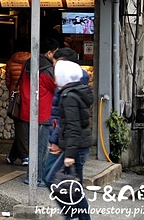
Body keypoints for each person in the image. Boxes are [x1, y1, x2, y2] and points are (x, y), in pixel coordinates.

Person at [50, 59, 93, 220]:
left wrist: (69, 155)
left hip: (75, 148)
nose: (55, 80)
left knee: (72, 189)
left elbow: (73, 127)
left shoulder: (69, 96)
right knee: (72, 188)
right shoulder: (77, 91)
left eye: (57, 76)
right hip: (77, 146)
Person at [43, 48, 90, 186]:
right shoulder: (70, 87)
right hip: (66, 141)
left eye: (56, 65)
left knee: (61, 183)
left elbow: (70, 122)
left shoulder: (70, 92)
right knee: (61, 182)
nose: (54, 70)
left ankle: (78, 208)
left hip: (68, 142)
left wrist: (57, 142)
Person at [18, 37, 59, 187]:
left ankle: (33, 176)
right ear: (49, 53)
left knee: (34, 147)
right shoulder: (47, 69)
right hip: (43, 113)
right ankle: (36, 178)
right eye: (55, 53)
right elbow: (56, 88)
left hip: (29, 110)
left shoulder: (27, 64)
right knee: (41, 149)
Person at [5, 39, 31, 166]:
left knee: (20, 126)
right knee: (24, 127)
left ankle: (13, 156)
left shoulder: (10, 62)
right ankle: (24, 156)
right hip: (28, 97)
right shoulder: (32, 61)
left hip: (16, 98)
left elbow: (8, 82)